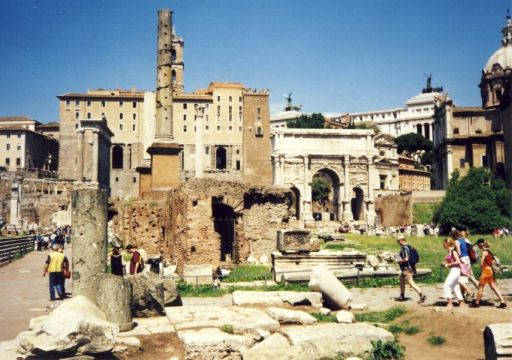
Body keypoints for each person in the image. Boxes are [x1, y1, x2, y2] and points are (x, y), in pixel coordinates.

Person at [471, 239, 507, 309]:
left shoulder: (484, 252)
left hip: (486, 270)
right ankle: (503, 302)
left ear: (481, 244)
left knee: (480, 287)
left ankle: (477, 303)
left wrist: (480, 264)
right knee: (493, 286)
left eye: (478, 245)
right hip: (490, 270)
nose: (478, 246)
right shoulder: (489, 252)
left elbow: (481, 263)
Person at [396, 236, 426, 303]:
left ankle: (422, 295)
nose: (397, 243)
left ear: (401, 240)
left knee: (410, 282)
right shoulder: (410, 247)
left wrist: (399, 261)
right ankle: (402, 295)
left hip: (406, 268)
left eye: (398, 241)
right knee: (401, 280)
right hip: (408, 268)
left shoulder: (404, 248)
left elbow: (406, 259)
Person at [442, 238, 464, 309]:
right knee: (455, 287)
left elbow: (458, 261)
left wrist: (449, 264)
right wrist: (444, 263)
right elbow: (448, 260)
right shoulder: (449, 251)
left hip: (455, 270)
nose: (443, 245)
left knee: (446, 285)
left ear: (447, 243)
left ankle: (450, 303)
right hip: (452, 270)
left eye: (444, 243)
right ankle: (461, 302)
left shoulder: (453, 251)